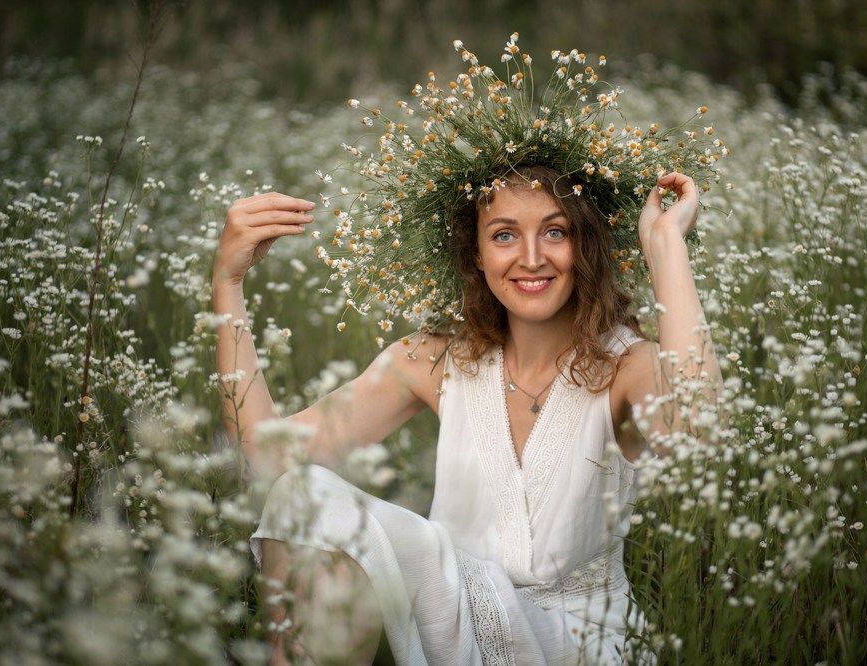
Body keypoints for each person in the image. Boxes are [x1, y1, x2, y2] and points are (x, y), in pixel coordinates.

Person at [213, 158, 722, 663]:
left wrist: (665, 246)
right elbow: (268, 458)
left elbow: (699, 432)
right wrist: (228, 285)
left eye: (555, 232)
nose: (530, 258)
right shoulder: (433, 360)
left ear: (586, 244)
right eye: (503, 235)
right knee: (306, 493)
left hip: (580, 644)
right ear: (475, 252)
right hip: (455, 625)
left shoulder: (628, 364)